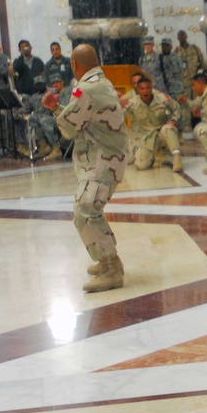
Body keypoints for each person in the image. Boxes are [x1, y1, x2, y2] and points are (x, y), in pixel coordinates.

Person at [42, 44, 129, 293]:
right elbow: (80, 120)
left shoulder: (87, 88)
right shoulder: (100, 82)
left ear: (74, 65)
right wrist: (58, 109)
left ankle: (111, 267)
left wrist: (55, 110)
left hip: (104, 161)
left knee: (86, 210)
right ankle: (108, 259)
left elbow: (69, 128)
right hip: (104, 158)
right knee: (86, 210)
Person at [124, 75, 183, 172]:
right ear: (137, 90)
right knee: (141, 165)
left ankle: (177, 158)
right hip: (147, 138)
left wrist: (174, 120)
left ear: (151, 88)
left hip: (161, 134)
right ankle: (152, 157)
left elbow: (177, 109)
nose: (145, 91)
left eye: (147, 88)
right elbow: (119, 116)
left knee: (168, 128)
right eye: (142, 89)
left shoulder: (162, 98)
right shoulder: (132, 103)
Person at [175, 29, 206, 99]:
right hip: (184, 81)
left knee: (198, 99)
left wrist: (199, 71)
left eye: (182, 35)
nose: (181, 37)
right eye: (179, 36)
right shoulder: (176, 50)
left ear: (186, 36)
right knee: (187, 101)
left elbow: (202, 62)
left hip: (195, 78)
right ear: (177, 38)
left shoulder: (194, 48)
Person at [157, 38, 185, 103]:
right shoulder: (159, 57)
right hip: (164, 88)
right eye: (163, 46)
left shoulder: (175, 57)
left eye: (167, 45)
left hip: (175, 89)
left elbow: (177, 71)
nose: (164, 47)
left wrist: (167, 62)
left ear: (171, 47)